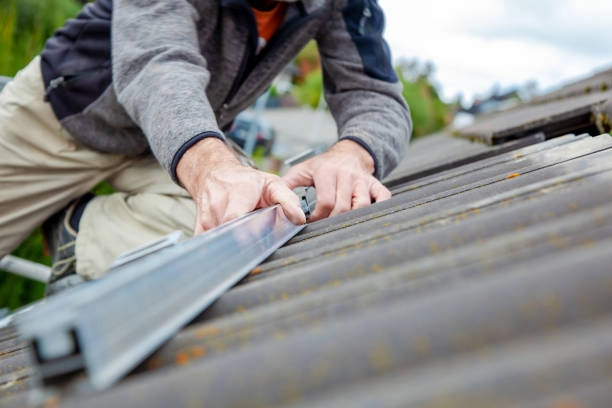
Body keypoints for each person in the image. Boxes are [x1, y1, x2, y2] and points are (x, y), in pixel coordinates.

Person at [0, 0, 411, 294]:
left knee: (250, 228)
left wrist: (352, 153)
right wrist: (213, 168)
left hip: (172, 145)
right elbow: (156, 61)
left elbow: (375, 94)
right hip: (64, 118)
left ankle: (76, 229)